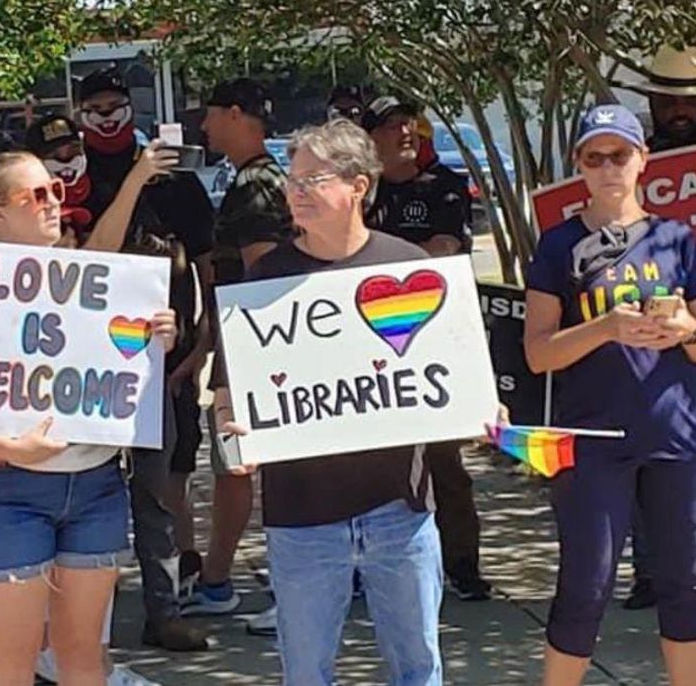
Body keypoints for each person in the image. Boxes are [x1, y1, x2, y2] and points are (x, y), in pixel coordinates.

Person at [212, 120, 444, 686]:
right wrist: (229, 440)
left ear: (358, 186)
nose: (295, 192)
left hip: (400, 512)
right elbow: (227, 393)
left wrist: (484, 413)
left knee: (418, 669)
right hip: (302, 517)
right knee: (307, 674)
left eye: (311, 179)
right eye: (293, 180)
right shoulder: (265, 278)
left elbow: (453, 378)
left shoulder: (409, 267)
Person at [0, 150, 178, 686]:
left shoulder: (86, 275)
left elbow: (104, 249)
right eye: (37, 195)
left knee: (82, 659)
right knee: (12, 662)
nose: (55, 203)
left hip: (96, 484)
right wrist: (9, 448)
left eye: (56, 189)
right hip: (5, 491)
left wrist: (153, 337)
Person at [523, 104, 696, 686]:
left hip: (675, 435)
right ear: (578, 166)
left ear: (643, 160)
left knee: (685, 584)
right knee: (586, 585)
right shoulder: (558, 246)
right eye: (594, 158)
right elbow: (538, 354)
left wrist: (685, 330)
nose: (608, 168)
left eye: (619, 155)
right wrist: (605, 327)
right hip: (593, 441)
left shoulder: (678, 239)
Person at [77, 68, 217, 653]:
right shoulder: (70, 181)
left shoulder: (179, 182)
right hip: (83, 363)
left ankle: (164, 610)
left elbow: (207, 268)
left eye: (117, 105)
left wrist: (204, 343)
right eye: (96, 106)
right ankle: (87, 624)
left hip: (165, 359)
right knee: (90, 494)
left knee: (161, 490)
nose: (108, 116)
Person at [363, 95, 493, 601]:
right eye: (392, 126)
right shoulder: (362, 195)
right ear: (371, 137)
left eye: (410, 124)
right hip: (369, 348)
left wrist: (380, 264)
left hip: (433, 344)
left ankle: (463, 564)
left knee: (445, 463)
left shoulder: (443, 185)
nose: (405, 133)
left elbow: (444, 249)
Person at [186, 78, 291, 624]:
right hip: (244, 343)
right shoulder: (261, 178)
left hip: (255, 349)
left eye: (210, 116)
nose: (204, 127)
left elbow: (260, 273)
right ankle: (219, 578)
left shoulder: (255, 185)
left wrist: (240, 361)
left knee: (241, 461)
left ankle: (241, 583)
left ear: (234, 114)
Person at [620, 43, 696, 610]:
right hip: (652, 321)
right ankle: (650, 572)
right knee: (652, 447)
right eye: (667, 99)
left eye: (686, 100)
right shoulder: (633, 159)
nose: (677, 109)